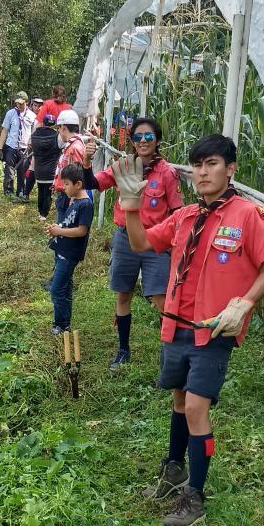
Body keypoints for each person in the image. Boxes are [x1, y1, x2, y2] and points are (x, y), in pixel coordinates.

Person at [112, 134, 264, 526]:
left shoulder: (247, 216)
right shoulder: (186, 216)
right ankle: (173, 470)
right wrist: (131, 207)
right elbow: (140, 243)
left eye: (213, 164)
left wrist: (245, 303)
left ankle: (195, 496)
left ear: (231, 168)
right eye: (198, 166)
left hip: (214, 328)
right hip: (176, 324)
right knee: (179, 400)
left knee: (197, 408)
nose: (203, 172)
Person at [82, 117, 183, 370]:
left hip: (154, 242)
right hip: (125, 238)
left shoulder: (168, 173)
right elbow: (92, 184)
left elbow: (177, 212)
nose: (143, 141)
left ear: (157, 140)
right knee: (123, 294)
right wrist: (86, 162)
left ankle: (169, 355)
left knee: (161, 299)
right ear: (132, 141)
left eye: (148, 136)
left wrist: (172, 246)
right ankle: (123, 349)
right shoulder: (123, 166)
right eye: (137, 137)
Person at [45, 163, 94, 335]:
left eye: (66, 184)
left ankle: (61, 324)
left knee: (57, 289)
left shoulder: (85, 204)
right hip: (62, 251)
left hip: (70, 254)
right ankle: (64, 323)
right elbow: (68, 223)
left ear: (78, 184)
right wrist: (56, 228)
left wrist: (59, 231)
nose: (63, 187)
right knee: (65, 288)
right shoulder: (73, 200)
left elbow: (82, 230)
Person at [0, 93, 37, 197]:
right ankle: (8, 191)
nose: (19, 105)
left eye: (21, 103)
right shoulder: (10, 113)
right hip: (11, 146)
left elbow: (34, 132)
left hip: (24, 148)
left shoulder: (32, 116)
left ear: (26, 102)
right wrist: (0, 148)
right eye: (17, 103)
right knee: (9, 169)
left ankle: (21, 191)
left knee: (22, 170)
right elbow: (5, 130)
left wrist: (31, 143)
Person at [52, 109, 86, 223]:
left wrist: (73, 198)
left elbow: (77, 175)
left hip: (68, 196)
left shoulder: (75, 147)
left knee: (63, 225)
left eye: (59, 128)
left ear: (64, 128)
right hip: (65, 194)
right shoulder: (70, 145)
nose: (59, 132)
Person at [26, 113, 60, 220]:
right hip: (51, 169)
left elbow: (31, 148)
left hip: (39, 169)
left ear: (43, 123)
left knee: (41, 191)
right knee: (48, 192)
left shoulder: (34, 135)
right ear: (54, 124)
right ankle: (44, 213)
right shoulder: (57, 136)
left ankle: (40, 212)